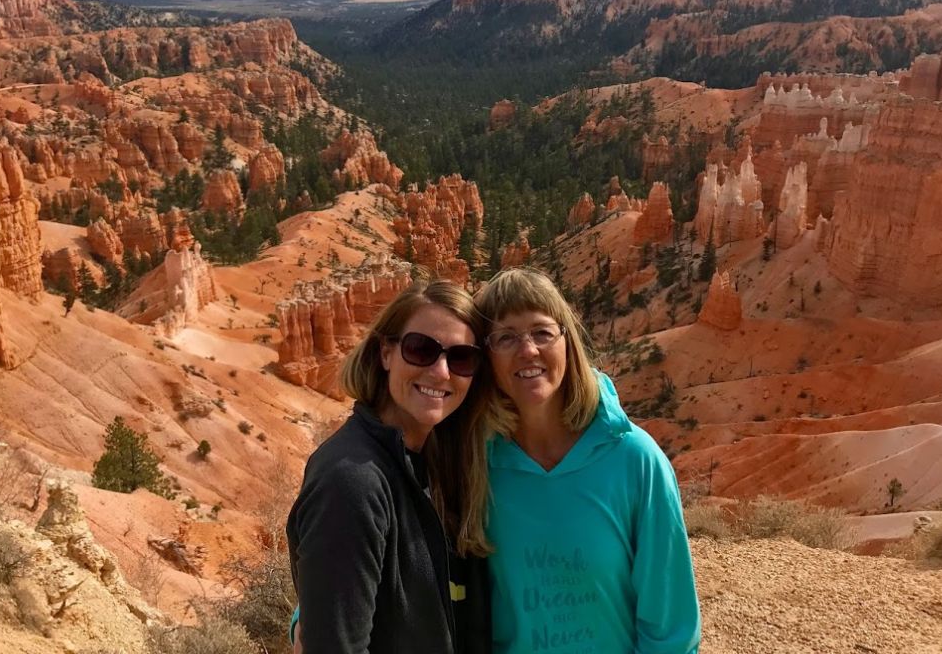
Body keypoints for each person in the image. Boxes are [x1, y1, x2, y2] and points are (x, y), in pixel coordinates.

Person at [473, 267, 701, 654]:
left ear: (568, 342)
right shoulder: (479, 465)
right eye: (505, 337)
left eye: (542, 332)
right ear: (486, 358)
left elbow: (671, 628)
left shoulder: (634, 460)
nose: (527, 350)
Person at [286, 279, 493, 654]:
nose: (442, 371)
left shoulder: (440, 462)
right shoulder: (352, 480)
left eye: (461, 358)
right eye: (420, 350)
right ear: (386, 353)